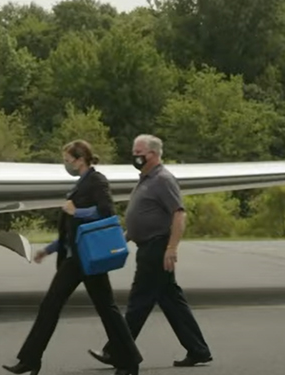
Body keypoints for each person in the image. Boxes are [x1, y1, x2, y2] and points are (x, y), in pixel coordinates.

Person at [2, 140, 143, 375]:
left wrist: (77, 211)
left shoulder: (97, 181)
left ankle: (129, 361)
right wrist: (48, 250)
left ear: (80, 160)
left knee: (103, 308)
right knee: (54, 306)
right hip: (76, 257)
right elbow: (73, 232)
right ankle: (30, 360)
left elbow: (106, 211)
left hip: (88, 258)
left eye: (68, 160)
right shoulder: (80, 184)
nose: (66, 164)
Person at [88, 134, 213, 368]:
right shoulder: (146, 179)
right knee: (171, 301)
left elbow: (179, 213)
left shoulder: (163, 179)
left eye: (139, 152)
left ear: (153, 154)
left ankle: (116, 350)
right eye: (134, 151)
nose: (135, 156)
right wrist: (124, 237)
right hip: (147, 245)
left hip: (157, 247)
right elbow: (143, 215)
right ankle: (198, 349)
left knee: (139, 301)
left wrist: (171, 248)